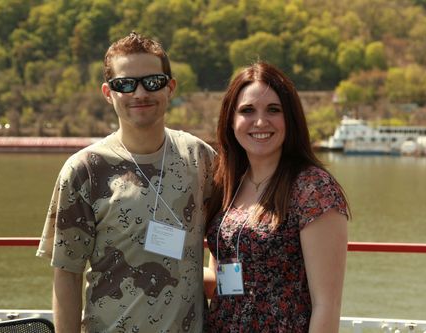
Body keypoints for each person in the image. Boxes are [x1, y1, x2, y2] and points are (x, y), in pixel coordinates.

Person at [36, 32, 215, 333]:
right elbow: (67, 274)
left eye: (153, 82)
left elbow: (229, 236)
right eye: (125, 84)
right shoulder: (84, 170)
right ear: (108, 93)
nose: (140, 93)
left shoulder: (201, 158)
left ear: (170, 88)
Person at [205, 62, 349, 333]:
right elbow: (219, 276)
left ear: (290, 118)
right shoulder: (226, 183)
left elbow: (327, 305)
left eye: (273, 110)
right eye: (247, 110)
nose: (260, 121)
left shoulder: (313, 189)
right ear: (230, 120)